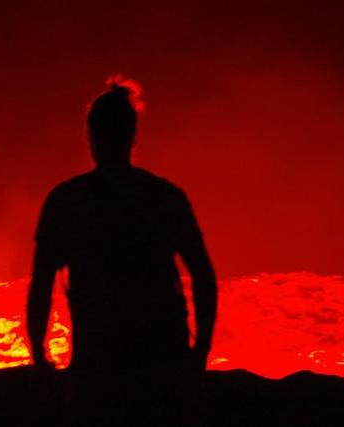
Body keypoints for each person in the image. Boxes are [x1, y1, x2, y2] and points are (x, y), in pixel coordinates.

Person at [27, 76, 218, 426]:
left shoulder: (67, 201)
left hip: (98, 366)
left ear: (90, 137)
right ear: (133, 136)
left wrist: (40, 359)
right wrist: (199, 352)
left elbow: (41, 286)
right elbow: (204, 276)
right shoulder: (165, 197)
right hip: (164, 362)